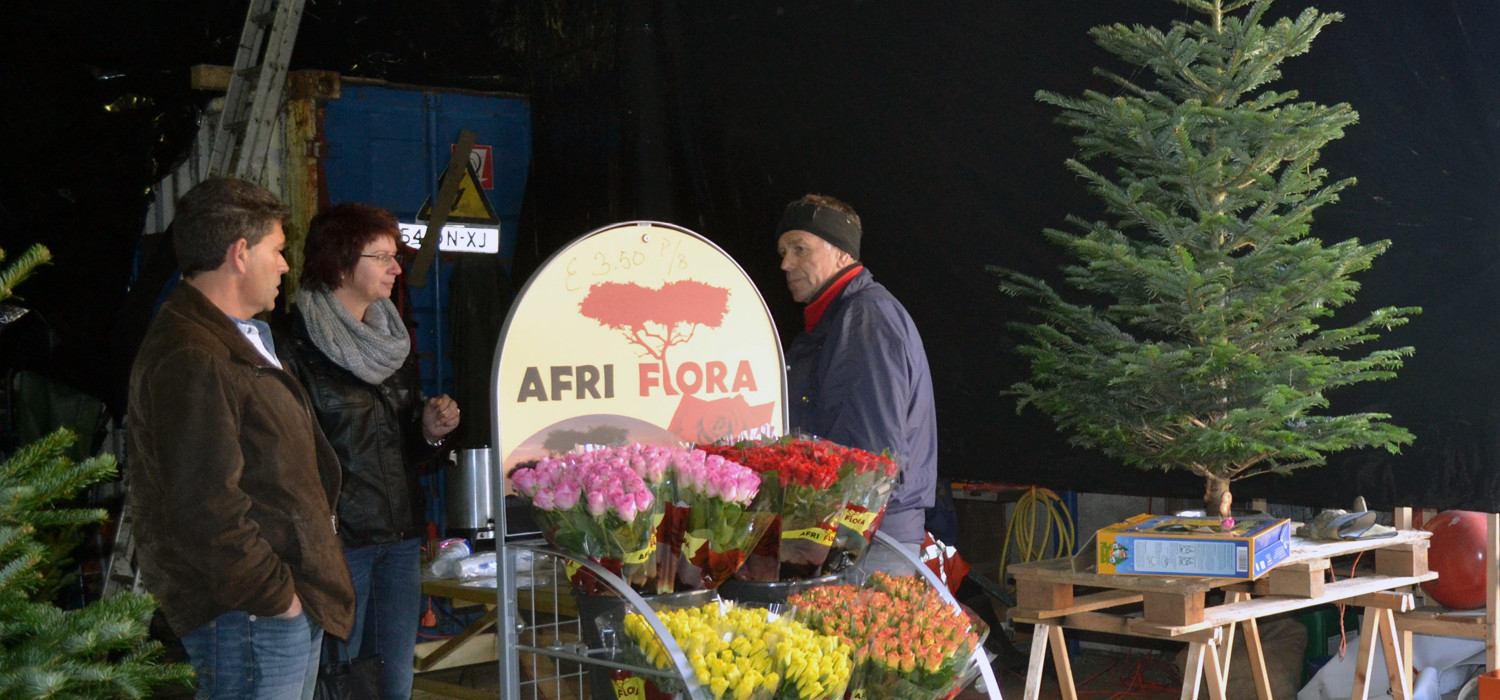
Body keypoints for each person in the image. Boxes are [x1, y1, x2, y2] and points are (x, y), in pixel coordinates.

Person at [126, 177, 354, 700]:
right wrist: (277, 597)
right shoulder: (195, 354)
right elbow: (204, 507)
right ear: (240, 254)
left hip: (266, 612)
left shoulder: (233, 338)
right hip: (247, 616)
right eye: (277, 250)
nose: (285, 265)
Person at [277, 202, 460, 700]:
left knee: (393, 686)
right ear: (340, 265)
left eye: (395, 255)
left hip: (398, 542)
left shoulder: (392, 343)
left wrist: (429, 431)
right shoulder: (292, 347)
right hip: (338, 548)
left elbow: (405, 454)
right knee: (335, 686)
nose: (396, 268)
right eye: (382, 257)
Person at [775, 193, 938, 553]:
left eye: (800, 248)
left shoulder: (863, 320)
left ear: (842, 253)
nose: (786, 263)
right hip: (855, 534)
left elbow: (868, 458)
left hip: (864, 542)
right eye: (783, 251)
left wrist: (835, 549)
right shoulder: (836, 321)